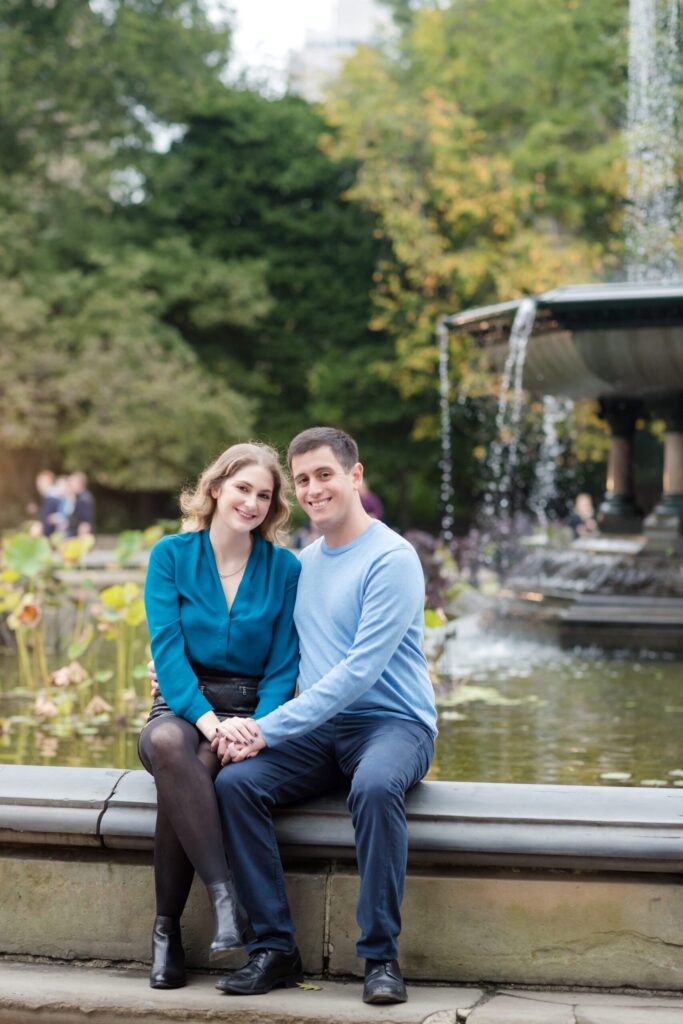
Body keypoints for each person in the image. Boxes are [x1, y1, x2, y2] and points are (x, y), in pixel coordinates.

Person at [211, 427, 437, 1006]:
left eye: (325, 475)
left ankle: (381, 957)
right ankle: (275, 948)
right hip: (317, 731)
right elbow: (262, 644)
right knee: (237, 785)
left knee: (377, 785)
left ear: (355, 476)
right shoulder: (301, 565)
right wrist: (178, 674)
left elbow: (359, 672)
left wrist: (268, 728)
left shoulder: (392, 559)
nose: (313, 489)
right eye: (303, 479)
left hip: (393, 724)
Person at [140, 442, 300, 990]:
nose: (252, 503)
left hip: (251, 711)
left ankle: (166, 932)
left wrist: (257, 727)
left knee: (190, 775)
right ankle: (224, 896)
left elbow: (283, 667)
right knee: (168, 747)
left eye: (263, 495)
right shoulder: (171, 557)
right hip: (183, 707)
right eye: (242, 489)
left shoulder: (285, 568)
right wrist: (209, 722)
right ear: (214, 489)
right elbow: (168, 654)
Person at [67, 472, 95, 537]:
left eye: (72, 484)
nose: (70, 486)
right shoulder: (80, 497)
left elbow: (85, 521)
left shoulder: (84, 498)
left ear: (79, 484)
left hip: (80, 533)